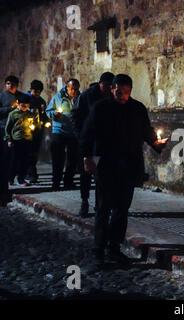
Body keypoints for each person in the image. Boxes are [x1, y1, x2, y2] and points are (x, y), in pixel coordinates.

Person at [81, 74, 168, 264]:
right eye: (119, 92)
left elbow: (146, 131)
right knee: (103, 208)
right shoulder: (100, 108)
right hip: (106, 166)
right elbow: (87, 134)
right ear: (112, 89)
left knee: (121, 209)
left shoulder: (137, 108)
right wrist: (87, 157)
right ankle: (98, 250)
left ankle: (114, 247)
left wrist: (156, 143)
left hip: (129, 165)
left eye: (127, 92)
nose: (123, 96)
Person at [72, 72, 114, 218]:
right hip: (88, 141)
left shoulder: (112, 96)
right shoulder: (86, 96)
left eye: (111, 86)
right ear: (101, 83)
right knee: (86, 174)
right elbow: (76, 117)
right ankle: (84, 201)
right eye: (107, 86)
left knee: (102, 175)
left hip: (105, 142)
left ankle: (100, 204)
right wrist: (81, 137)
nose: (110, 89)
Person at [45, 79, 80, 190]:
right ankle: (56, 182)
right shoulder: (58, 97)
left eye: (76, 89)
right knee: (58, 159)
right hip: (58, 131)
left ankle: (68, 181)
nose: (74, 91)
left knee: (72, 159)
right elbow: (48, 111)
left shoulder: (80, 97)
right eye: (72, 89)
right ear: (67, 87)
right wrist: (54, 114)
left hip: (73, 132)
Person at [0, 76, 26, 205]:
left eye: (13, 84)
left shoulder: (21, 96)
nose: (10, 86)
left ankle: (17, 178)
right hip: (4, 130)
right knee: (5, 159)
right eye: (8, 83)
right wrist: (10, 109)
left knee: (17, 157)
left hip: (20, 132)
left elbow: (28, 104)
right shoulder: (2, 96)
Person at [4, 94, 34, 187]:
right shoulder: (13, 114)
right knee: (15, 161)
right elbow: (7, 128)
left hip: (27, 139)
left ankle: (21, 179)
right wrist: (8, 139)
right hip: (16, 140)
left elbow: (35, 125)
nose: (25, 108)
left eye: (27, 106)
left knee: (25, 161)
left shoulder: (30, 114)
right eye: (23, 105)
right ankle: (10, 178)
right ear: (18, 104)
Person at [27, 80, 50, 183]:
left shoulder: (41, 101)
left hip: (38, 131)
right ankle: (31, 174)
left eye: (38, 92)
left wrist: (46, 123)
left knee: (34, 153)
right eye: (34, 91)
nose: (36, 93)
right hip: (26, 131)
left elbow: (44, 115)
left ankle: (31, 173)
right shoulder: (26, 99)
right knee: (28, 153)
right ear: (31, 89)